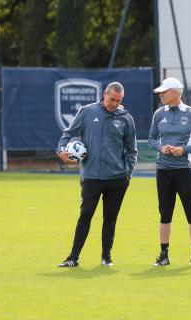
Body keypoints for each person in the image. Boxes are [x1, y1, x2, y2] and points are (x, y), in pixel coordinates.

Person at [56, 82, 138, 267]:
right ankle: (73, 258)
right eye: (111, 99)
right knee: (85, 215)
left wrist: (128, 174)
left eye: (118, 101)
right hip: (92, 177)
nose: (114, 104)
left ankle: (106, 256)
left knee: (110, 218)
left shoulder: (126, 118)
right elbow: (68, 134)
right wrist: (61, 150)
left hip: (117, 178)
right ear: (104, 95)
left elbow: (132, 150)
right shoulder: (87, 112)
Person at [148, 77, 191, 266]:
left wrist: (185, 150)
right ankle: (164, 254)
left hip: (184, 171)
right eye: (160, 92)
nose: (160, 95)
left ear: (175, 92)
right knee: (164, 214)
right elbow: (151, 139)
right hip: (163, 170)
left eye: (164, 92)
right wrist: (161, 148)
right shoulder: (159, 114)